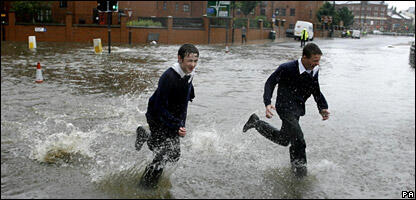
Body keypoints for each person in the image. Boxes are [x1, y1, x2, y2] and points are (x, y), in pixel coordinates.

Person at [243, 43, 330, 178]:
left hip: (297, 109)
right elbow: (270, 82)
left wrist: (322, 107)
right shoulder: (287, 68)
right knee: (299, 139)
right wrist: (267, 103)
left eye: (318, 60)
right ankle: (300, 173)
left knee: (284, 140)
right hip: (284, 107)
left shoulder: (315, 70)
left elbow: (315, 89)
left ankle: (256, 123)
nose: (317, 63)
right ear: (304, 57)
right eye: (315, 60)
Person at [135, 44, 199, 188]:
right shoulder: (168, 77)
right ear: (180, 59)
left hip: (172, 117)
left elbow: (185, 96)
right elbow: (159, 107)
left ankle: (145, 136)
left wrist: (181, 124)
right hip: (157, 116)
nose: (193, 65)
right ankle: (145, 186)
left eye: (195, 61)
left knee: (174, 155)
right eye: (189, 61)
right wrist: (177, 125)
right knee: (163, 153)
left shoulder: (189, 73)